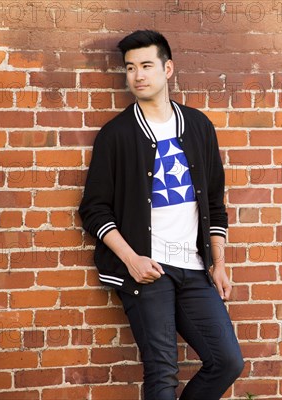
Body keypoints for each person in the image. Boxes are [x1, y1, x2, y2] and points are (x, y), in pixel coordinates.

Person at [78, 30, 244, 400]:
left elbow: (215, 205)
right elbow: (93, 209)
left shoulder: (198, 127)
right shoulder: (117, 135)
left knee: (228, 361)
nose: (138, 75)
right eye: (131, 68)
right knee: (162, 372)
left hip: (195, 268)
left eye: (147, 66)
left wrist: (217, 263)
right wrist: (132, 260)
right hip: (148, 272)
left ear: (168, 69)